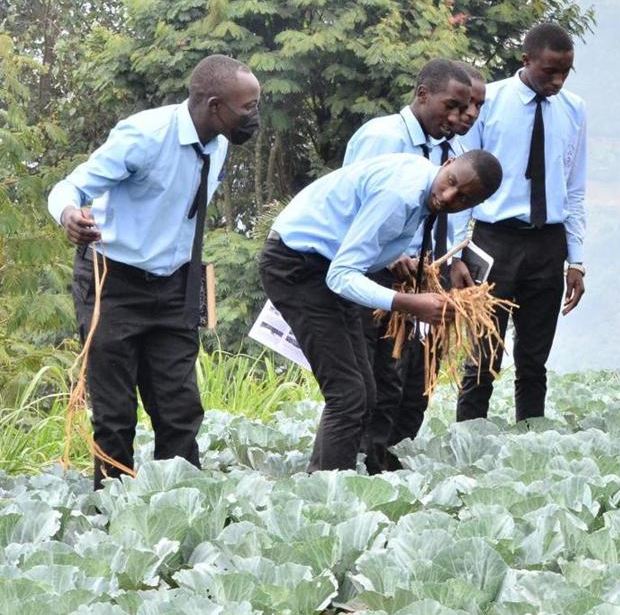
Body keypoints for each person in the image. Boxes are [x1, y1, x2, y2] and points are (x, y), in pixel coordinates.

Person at [48, 54, 261, 484]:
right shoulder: (145, 136)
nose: (255, 115)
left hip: (174, 286)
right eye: (248, 106)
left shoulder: (217, 144)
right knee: (115, 412)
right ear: (215, 105)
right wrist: (69, 213)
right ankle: (111, 517)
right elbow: (71, 186)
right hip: (114, 283)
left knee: (180, 409)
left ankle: (177, 511)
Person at [260, 151, 503, 472]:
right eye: (451, 182)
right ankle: (326, 498)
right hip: (298, 267)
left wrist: (394, 258)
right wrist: (408, 303)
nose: (448, 197)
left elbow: (359, 236)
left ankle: (323, 483)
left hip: (322, 266)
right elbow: (341, 275)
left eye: (463, 199)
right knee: (347, 395)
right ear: (446, 165)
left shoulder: (421, 186)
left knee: (364, 391)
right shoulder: (401, 195)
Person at [341, 58, 477, 470]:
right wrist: (394, 254)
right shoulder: (382, 137)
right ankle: (363, 465)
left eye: (467, 109)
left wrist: (451, 259)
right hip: (379, 274)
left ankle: (392, 462)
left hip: (426, 277)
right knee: (379, 380)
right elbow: (351, 206)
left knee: (415, 384)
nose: (459, 118)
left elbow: (448, 215)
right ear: (422, 95)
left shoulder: (451, 152)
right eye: (451, 107)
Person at [457, 24, 588, 423]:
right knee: (483, 356)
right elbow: (461, 181)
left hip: (548, 243)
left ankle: (530, 443)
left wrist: (576, 260)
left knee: (534, 359)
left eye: (566, 71)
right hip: (492, 241)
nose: (558, 79)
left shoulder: (574, 109)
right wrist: (457, 252)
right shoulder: (488, 103)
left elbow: (575, 188)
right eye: (550, 70)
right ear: (526, 60)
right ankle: (468, 440)